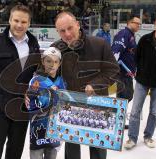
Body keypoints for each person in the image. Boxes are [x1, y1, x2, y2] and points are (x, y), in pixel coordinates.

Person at [0, 5, 40, 159]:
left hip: (22, 109)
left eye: (24, 22)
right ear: (10, 20)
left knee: (15, 151)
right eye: (16, 20)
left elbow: (36, 73)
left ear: (29, 23)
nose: (19, 25)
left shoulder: (33, 42)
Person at [52, 11, 120, 159]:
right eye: (62, 31)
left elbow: (113, 70)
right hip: (70, 105)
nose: (67, 34)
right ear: (57, 31)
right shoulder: (55, 49)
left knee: (98, 148)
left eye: (70, 28)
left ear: (78, 24)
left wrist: (95, 85)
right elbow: (48, 76)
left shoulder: (100, 44)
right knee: (71, 147)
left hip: (97, 105)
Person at [124, 16, 156, 149]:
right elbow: (136, 58)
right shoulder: (144, 40)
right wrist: (138, 72)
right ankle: (132, 138)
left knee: (154, 112)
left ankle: (148, 136)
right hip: (142, 81)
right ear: (155, 25)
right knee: (135, 110)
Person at [27, 47, 66, 159]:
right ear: (42, 61)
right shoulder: (36, 80)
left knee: (52, 155)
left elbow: (65, 103)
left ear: (59, 63)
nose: (52, 64)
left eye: (55, 61)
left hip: (54, 130)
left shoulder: (62, 81)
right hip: (38, 129)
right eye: (48, 61)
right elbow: (30, 104)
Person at [111, 16, 141, 128]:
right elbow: (115, 52)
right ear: (129, 22)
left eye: (140, 24)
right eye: (136, 23)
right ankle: (117, 122)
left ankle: (118, 121)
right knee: (124, 97)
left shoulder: (131, 35)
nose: (138, 26)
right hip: (122, 74)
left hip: (127, 74)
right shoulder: (124, 34)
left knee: (124, 97)